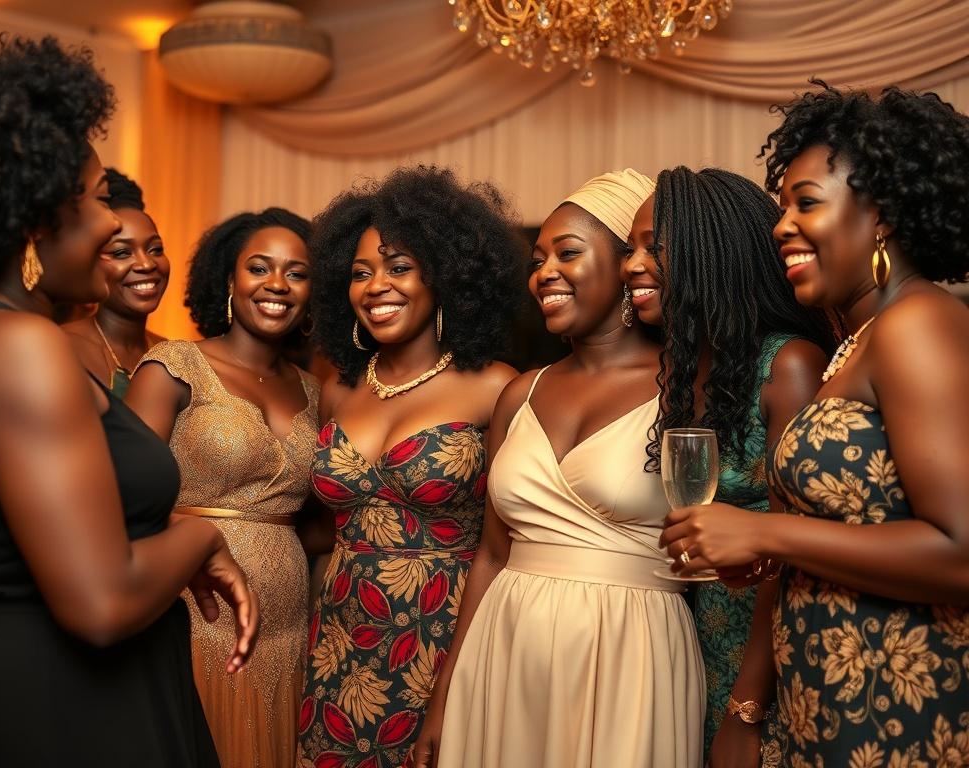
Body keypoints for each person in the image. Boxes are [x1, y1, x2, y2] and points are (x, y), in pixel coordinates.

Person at [0, 36, 256, 767]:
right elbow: (102, 605)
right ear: (31, 224)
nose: (116, 223)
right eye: (93, 200)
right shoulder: (19, 349)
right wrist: (202, 540)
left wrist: (167, 522)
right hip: (62, 704)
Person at [661, 82, 969, 766]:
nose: (781, 227)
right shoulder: (857, 342)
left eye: (806, 203)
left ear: (881, 214)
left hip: (901, 707)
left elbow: (960, 548)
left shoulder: (918, 324)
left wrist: (766, 529)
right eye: (781, 208)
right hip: (827, 700)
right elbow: (863, 522)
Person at [414, 169, 704, 768]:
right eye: (538, 259)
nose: (544, 273)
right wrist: (445, 693)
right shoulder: (520, 393)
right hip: (507, 642)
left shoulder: (689, 390)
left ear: (631, 265)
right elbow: (492, 554)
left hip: (632, 650)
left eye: (567, 253)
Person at [296, 166, 522, 768]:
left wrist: (449, 695)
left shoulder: (496, 388)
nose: (376, 287)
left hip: (443, 635)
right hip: (339, 637)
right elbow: (319, 527)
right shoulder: (338, 390)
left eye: (398, 268)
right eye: (360, 273)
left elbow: (503, 549)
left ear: (445, 276)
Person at [622, 167, 835, 764]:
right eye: (629, 249)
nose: (631, 265)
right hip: (690, 637)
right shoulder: (682, 372)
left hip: (763, 651)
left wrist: (747, 708)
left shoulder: (788, 365)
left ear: (710, 252)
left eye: (651, 247)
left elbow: (795, 548)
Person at [125, 207, 318, 768]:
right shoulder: (173, 366)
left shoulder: (315, 389)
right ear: (228, 280)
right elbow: (125, 498)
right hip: (195, 612)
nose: (277, 284)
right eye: (259, 267)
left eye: (297, 272)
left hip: (288, 628)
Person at [65, 168, 168, 397]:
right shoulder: (64, 347)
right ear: (91, 262)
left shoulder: (172, 353)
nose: (146, 264)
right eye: (122, 253)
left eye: (156, 249)